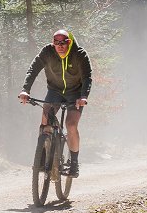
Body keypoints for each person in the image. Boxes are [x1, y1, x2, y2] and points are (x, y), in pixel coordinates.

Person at [18, 29, 92, 177]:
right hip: (55, 91)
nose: (60, 46)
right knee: (45, 119)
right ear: (53, 43)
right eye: (56, 43)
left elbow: (87, 77)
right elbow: (33, 69)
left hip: (75, 93)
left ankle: (74, 164)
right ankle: (43, 156)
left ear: (69, 43)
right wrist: (25, 90)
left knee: (71, 124)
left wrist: (83, 96)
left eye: (63, 43)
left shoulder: (79, 54)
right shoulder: (47, 52)